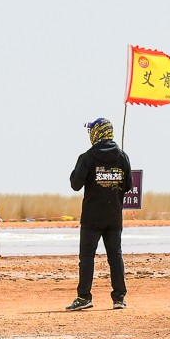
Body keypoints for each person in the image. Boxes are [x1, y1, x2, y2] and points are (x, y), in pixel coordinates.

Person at [66, 118, 134, 311]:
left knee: (87, 257)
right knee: (115, 256)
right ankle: (119, 298)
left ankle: (84, 297)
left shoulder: (87, 157)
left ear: (96, 133)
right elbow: (128, 185)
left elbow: (75, 184)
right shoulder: (123, 157)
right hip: (113, 216)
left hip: (91, 217)